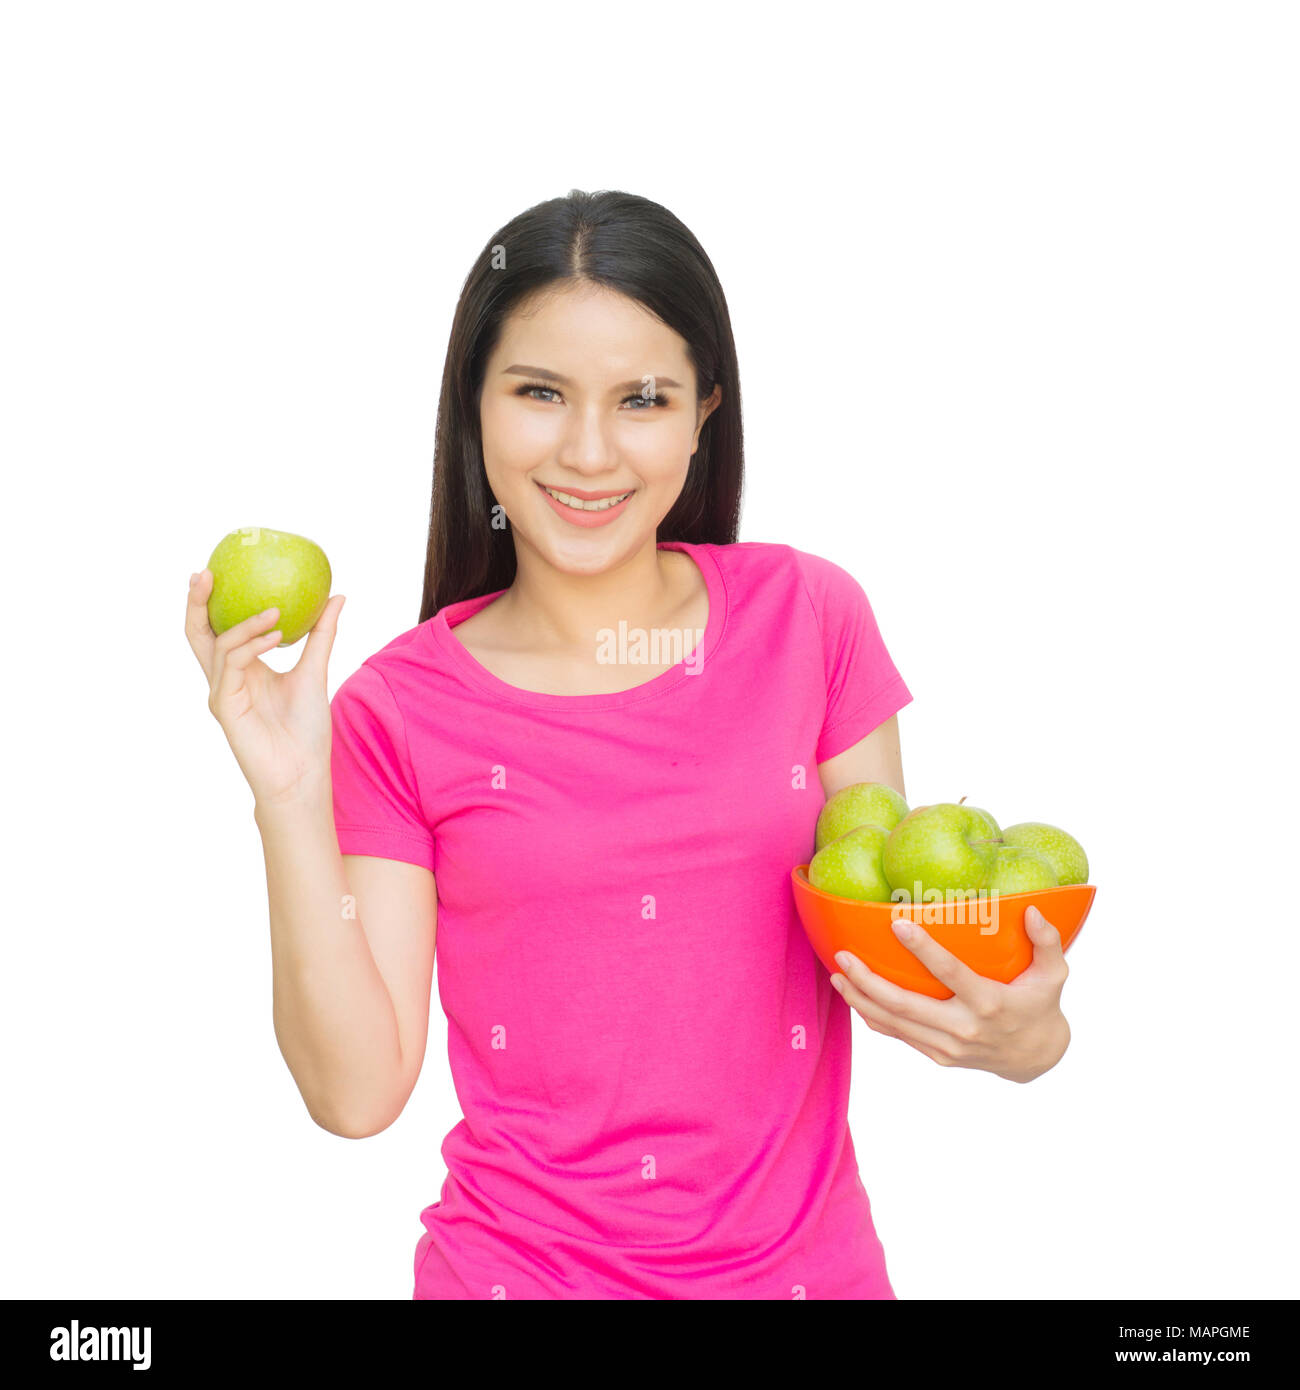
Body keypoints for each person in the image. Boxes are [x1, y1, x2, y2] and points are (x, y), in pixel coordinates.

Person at [184, 188, 1071, 1300]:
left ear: (704, 409)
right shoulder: (395, 710)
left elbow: (887, 953)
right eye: (541, 393)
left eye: (641, 398)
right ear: (475, 408)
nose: (589, 451)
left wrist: (1027, 1036)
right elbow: (354, 1095)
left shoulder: (810, 619)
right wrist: (288, 794)